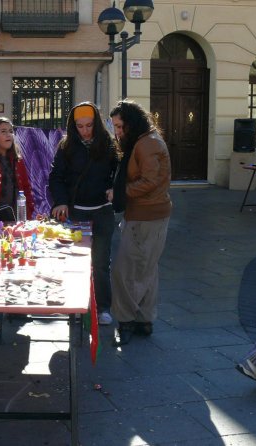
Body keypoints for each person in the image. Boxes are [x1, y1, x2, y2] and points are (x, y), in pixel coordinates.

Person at [48, 102, 119, 326]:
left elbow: (120, 171)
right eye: (80, 126)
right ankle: (75, 307)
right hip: (76, 213)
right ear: (74, 126)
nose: (85, 130)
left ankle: (103, 308)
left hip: (102, 212)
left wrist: (115, 188)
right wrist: (60, 202)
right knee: (75, 263)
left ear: (96, 124)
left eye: (89, 125)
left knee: (100, 263)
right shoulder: (66, 146)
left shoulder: (108, 144)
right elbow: (56, 177)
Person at [109, 100, 172, 345]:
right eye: (114, 127)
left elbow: (150, 181)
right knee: (146, 268)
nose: (117, 132)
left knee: (125, 271)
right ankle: (144, 320)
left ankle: (126, 321)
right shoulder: (145, 140)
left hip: (146, 215)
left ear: (132, 123)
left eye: (120, 126)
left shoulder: (148, 144)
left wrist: (121, 192)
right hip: (146, 213)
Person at [0, 117, 35, 226]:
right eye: (3, 131)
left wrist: (29, 211)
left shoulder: (17, 160)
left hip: (17, 218)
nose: (9, 135)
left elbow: (26, 188)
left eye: (11, 131)